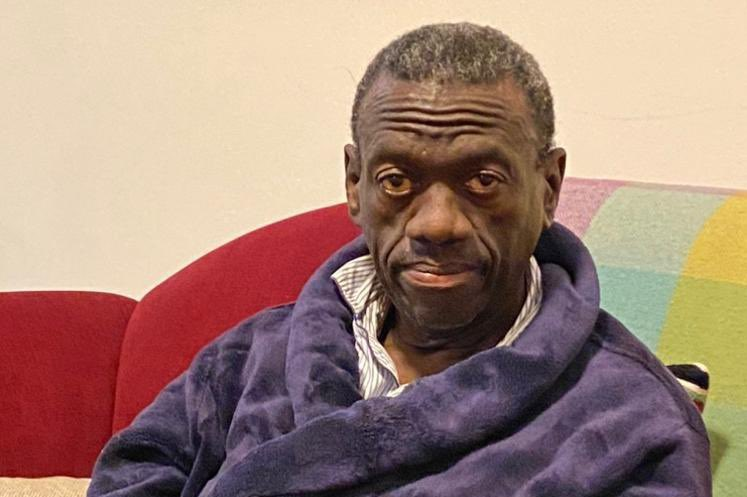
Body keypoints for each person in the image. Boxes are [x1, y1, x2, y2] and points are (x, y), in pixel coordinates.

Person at [87, 23, 710, 496]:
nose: (437, 223)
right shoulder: (250, 357)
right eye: (397, 180)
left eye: (483, 181)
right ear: (354, 183)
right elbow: (134, 473)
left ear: (548, 188)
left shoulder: (633, 419)